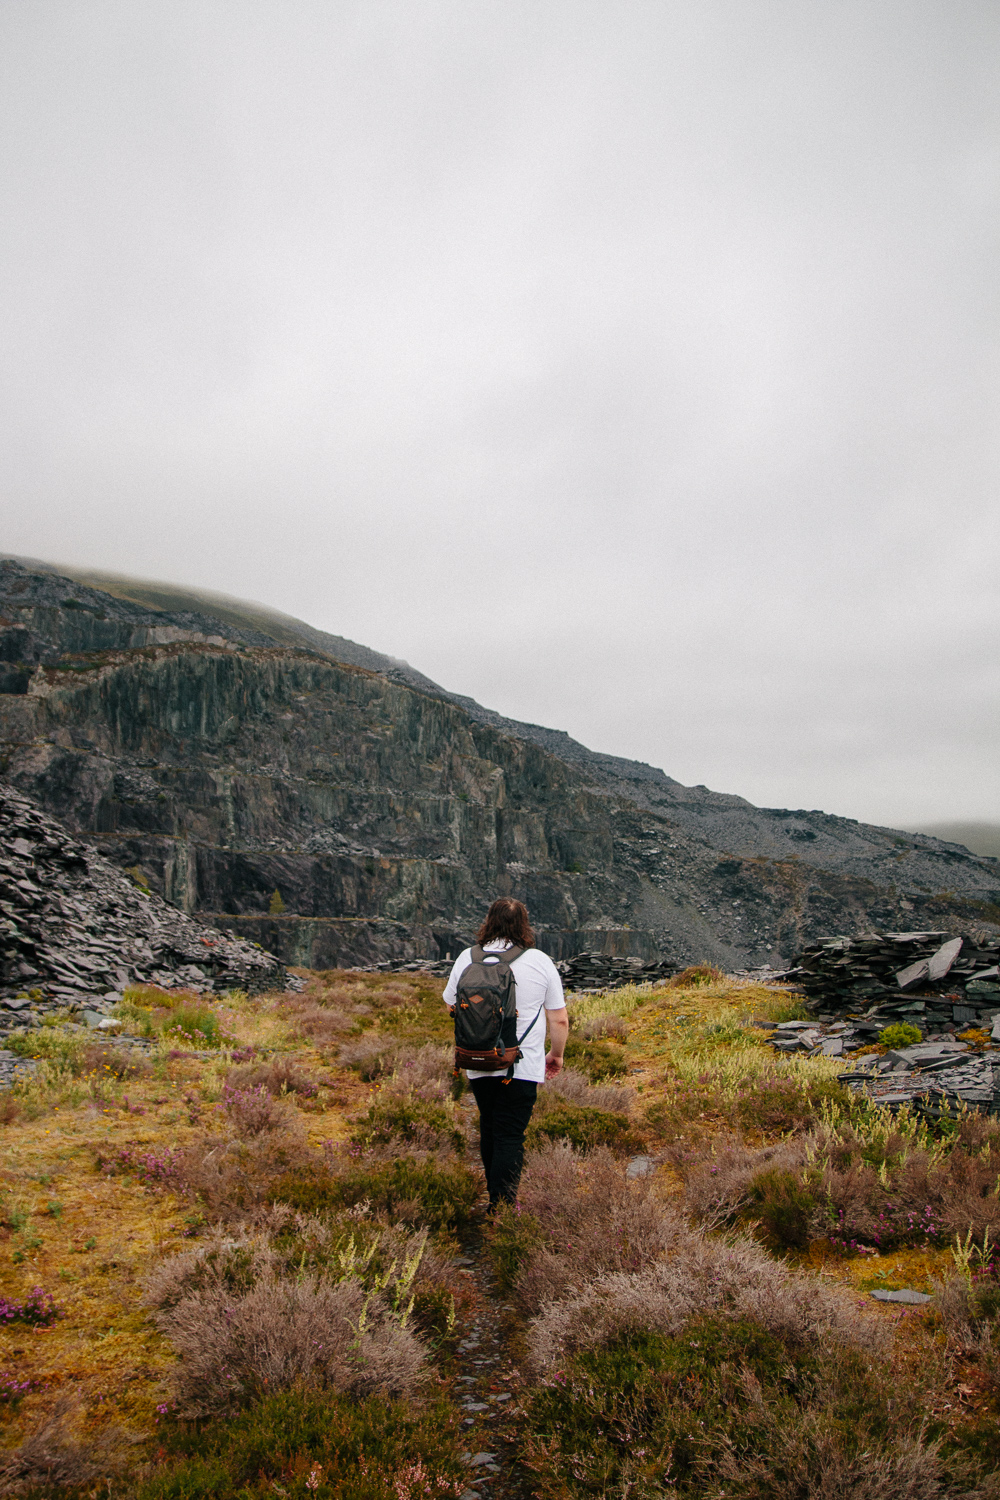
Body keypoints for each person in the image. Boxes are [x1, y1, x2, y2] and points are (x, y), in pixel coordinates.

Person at [443, 897, 568, 1210]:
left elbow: (450, 1005)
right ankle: (502, 1205)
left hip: (478, 1060)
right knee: (511, 1133)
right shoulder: (539, 961)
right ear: (524, 925)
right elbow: (559, 1018)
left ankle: (495, 1196)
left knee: (490, 1126)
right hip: (522, 1064)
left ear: (489, 921)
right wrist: (556, 1054)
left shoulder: (466, 958)